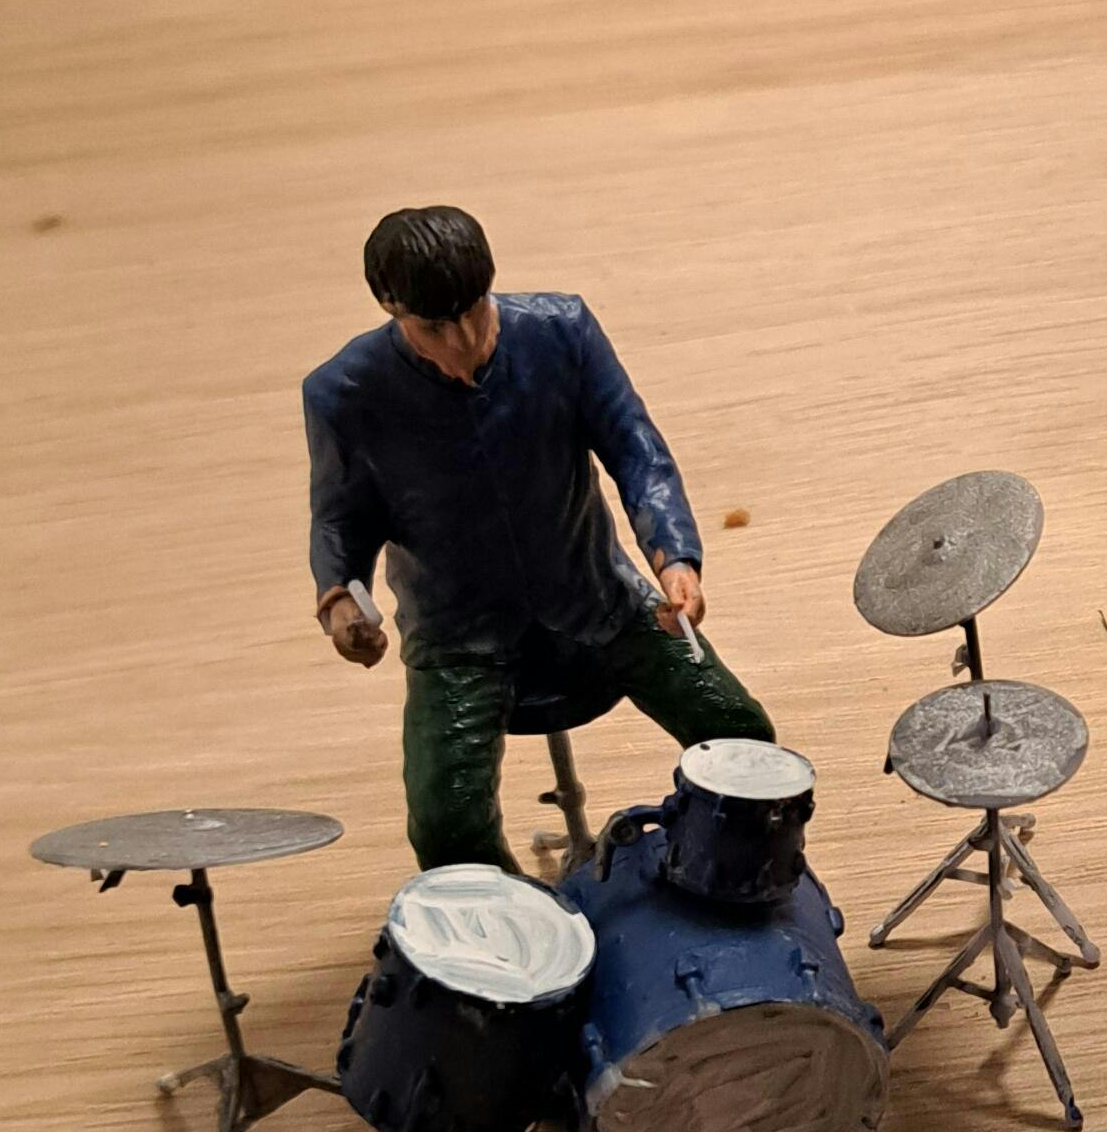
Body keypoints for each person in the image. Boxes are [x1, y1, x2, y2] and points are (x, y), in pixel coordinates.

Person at [304, 206, 777, 869]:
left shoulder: (562, 331)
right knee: (445, 825)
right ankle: (516, 924)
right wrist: (339, 601)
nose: (464, 341)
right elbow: (340, 518)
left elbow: (636, 451)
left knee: (743, 739)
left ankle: (705, 879)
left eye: (475, 310)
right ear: (391, 308)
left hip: (598, 596)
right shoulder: (345, 393)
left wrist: (674, 558)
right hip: (456, 632)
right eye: (435, 328)